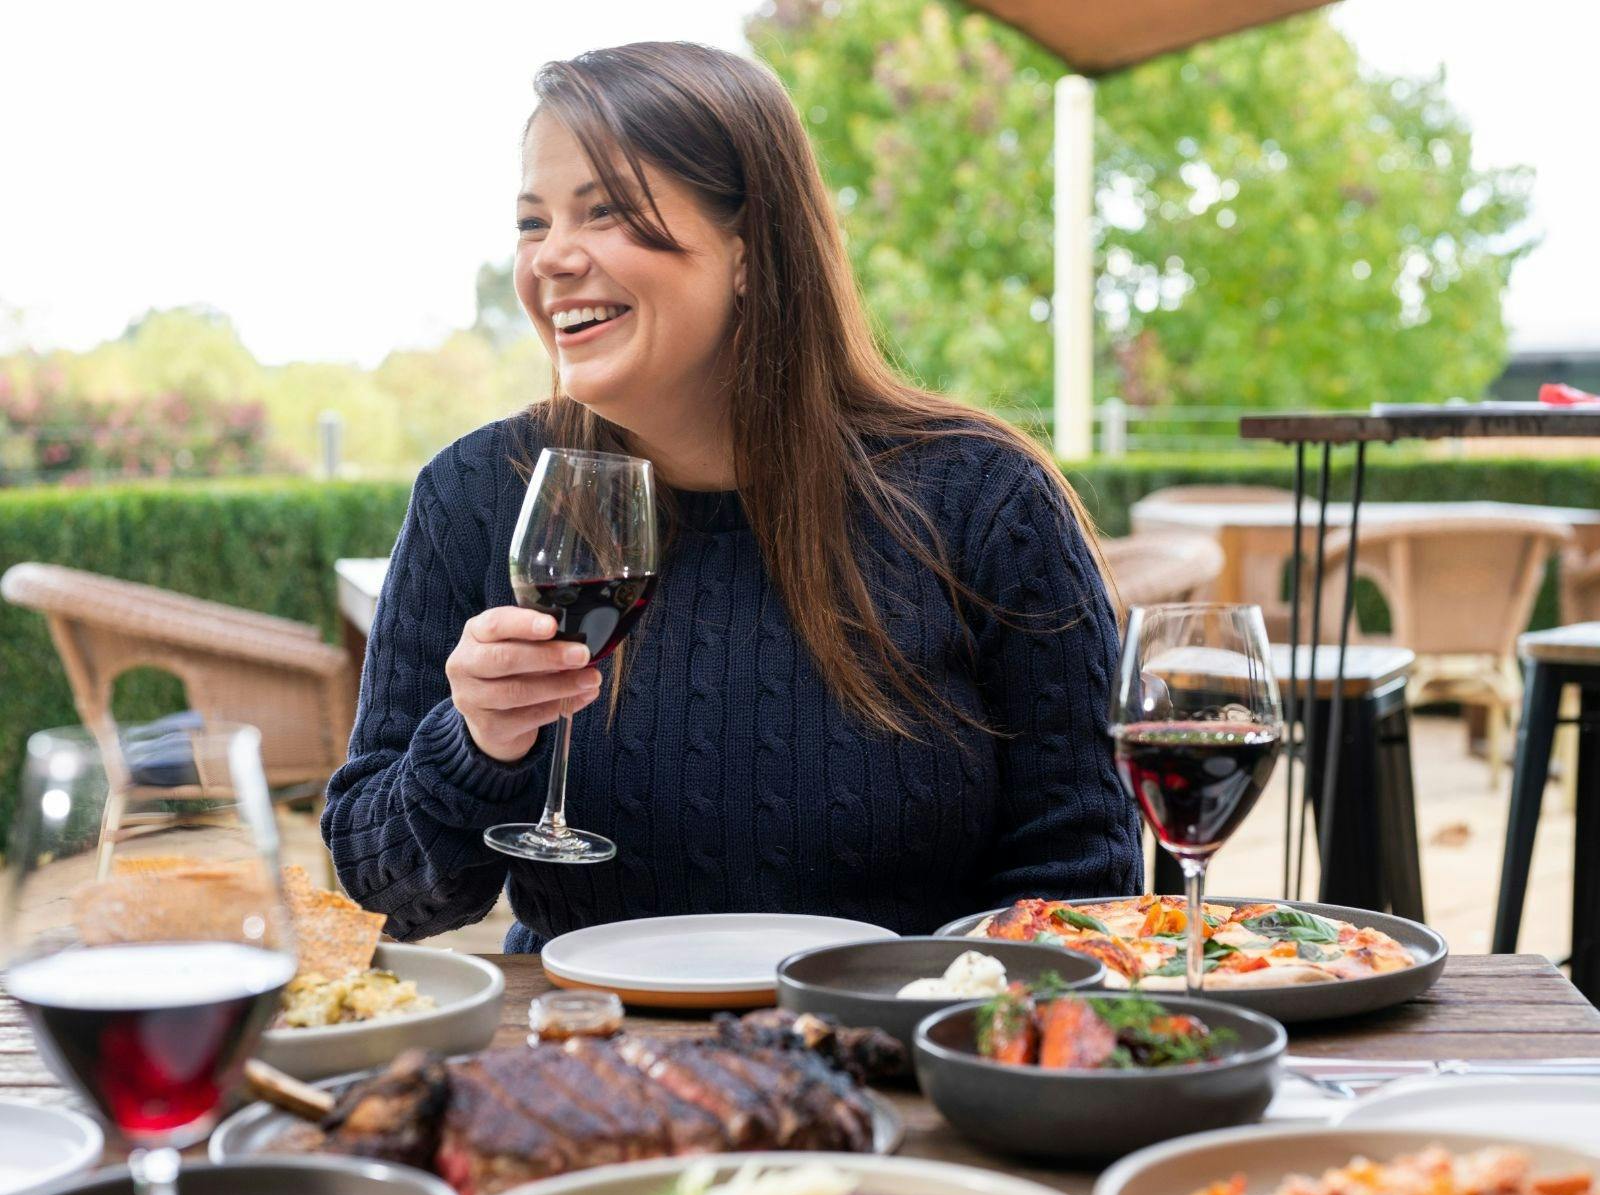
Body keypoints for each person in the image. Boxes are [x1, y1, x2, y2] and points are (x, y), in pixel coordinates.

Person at [322, 41, 1142, 952]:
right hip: (584, 1059)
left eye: (608, 213)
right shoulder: (476, 494)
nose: (552, 258)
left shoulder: (983, 499)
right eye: (532, 222)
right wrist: (477, 741)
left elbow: (1084, 889)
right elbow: (386, 893)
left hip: (894, 1058)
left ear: (749, 251)